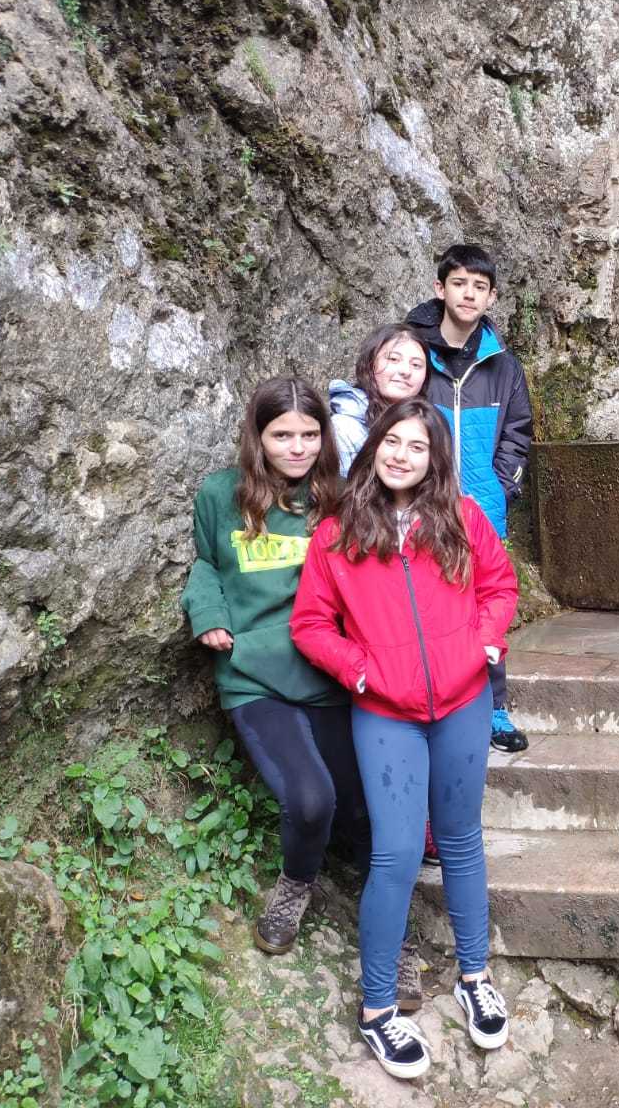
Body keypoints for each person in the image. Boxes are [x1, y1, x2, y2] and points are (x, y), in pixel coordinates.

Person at [291, 399, 518, 1079]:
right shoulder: (337, 535)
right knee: (395, 853)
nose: (402, 456)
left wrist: (484, 643)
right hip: (385, 711)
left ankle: (475, 976)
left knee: (461, 839)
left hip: (463, 702)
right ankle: (378, 1009)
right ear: (374, 447)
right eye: (393, 442)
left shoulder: (462, 518)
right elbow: (310, 625)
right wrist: (359, 670)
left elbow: (499, 587)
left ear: (433, 459)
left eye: (418, 447)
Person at [179, 376, 367, 956]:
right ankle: (295, 885)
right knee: (311, 800)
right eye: (282, 435)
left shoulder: (341, 498)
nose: (297, 447)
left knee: (365, 805)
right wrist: (208, 612)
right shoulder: (221, 494)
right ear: (257, 436)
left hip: (328, 671)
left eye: (310, 434)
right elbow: (206, 563)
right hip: (254, 673)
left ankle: (390, 922)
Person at [407, 244, 533, 754]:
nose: (469, 294)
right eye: (459, 283)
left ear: (491, 297)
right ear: (440, 288)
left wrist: (500, 487)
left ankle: (494, 707)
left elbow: (518, 432)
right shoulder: (415, 354)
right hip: (421, 505)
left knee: (487, 608)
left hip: (483, 509)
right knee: (423, 604)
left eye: (479, 287)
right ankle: (426, 703)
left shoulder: (503, 366)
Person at [329, 323, 431, 477]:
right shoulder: (344, 427)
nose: (406, 371)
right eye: (394, 359)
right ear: (370, 364)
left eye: (416, 365)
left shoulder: (428, 424)